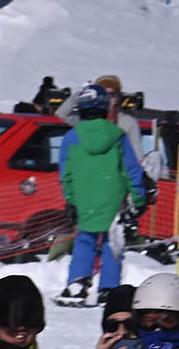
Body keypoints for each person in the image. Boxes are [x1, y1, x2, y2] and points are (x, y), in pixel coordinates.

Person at [56, 83, 147, 306]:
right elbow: (131, 170)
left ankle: (77, 284)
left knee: (84, 240)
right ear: (105, 107)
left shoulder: (71, 137)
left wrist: (70, 200)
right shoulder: (118, 136)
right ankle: (109, 289)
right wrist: (138, 197)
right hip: (113, 199)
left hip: (83, 198)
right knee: (112, 243)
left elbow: (65, 173)